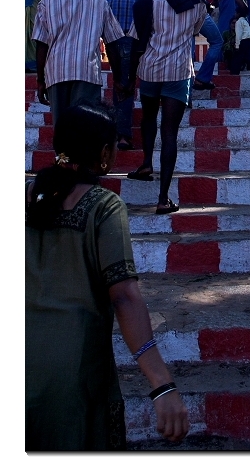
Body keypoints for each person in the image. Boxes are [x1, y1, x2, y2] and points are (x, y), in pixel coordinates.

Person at [26, 103, 189, 450]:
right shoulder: (104, 205)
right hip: (73, 370)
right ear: (104, 154)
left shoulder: (26, 198)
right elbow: (124, 296)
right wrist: (162, 384)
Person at [126, 0, 207, 213]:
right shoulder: (197, 2)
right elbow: (195, 30)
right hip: (178, 70)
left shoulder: (148, 1)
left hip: (149, 68)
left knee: (149, 118)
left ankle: (147, 162)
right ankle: (163, 198)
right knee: (170, 133)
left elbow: (136, 36)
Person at [32, 0, 125, 126]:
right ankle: (82, 154)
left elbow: (41, 44)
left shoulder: (47, 2)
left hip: (57, 73)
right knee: (85, 127)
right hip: (88, 73)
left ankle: (62, 154)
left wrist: (40, 79)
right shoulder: (99, 1)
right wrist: (118, 79)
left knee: (62, 127)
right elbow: (112, 44)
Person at [104, 0, 141, 150]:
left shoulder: (107, 0)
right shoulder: (140, 0)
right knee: (125, 88)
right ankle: (123, 135)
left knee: (119, 86)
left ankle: (119, 132)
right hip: (133, 43)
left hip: (112, 42)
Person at [186, 0, 223, 91]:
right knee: (217, 42)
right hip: (199, 11)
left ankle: (186, 88)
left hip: (178, 11)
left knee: (187, 47)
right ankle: (202, 78)